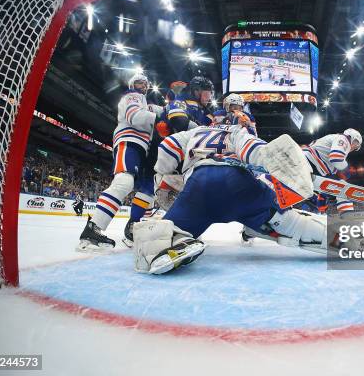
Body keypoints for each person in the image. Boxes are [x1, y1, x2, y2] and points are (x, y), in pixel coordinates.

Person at [132, 124, 319, 275]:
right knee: (292, 224)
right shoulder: (236, 130)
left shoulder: (195, 132)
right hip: (241, 185)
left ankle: (180, 241)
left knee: (158, 242)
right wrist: (284, 168)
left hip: (200, 188)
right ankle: (344, 238)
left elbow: (167, 147)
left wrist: (164, 172)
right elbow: (254, 150)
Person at [77, 73, 163, 251]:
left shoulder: (146, 102)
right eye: (140, 82)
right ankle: (92, 230)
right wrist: (160, 118)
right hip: (129, 141)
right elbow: (136, 118)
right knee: (124, 182)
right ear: (133, 84)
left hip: (142, 148)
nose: (143, 86)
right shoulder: (132, 96)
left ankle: (133, 227)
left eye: (146, 84)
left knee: (148, 189)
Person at [122, 83, 191, 247]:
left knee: (163, 190)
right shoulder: (156, 109)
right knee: (148, 189)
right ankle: (133, 224)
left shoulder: (174, 110)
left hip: (173, 154)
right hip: (157, 152)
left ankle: (178, 228)